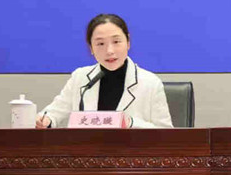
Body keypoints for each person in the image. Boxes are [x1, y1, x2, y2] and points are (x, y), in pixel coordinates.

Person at [35, 14, 173, 129]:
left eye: (116, 42)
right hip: (88, 152)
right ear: (91, 48)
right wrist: (45, 120)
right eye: (100, 44)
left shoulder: (150, 83)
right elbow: (53, 113)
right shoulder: (80, 78)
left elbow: (166, 134)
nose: (109, 51)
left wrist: (131, 123)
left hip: (132, 153)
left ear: (128, 42)